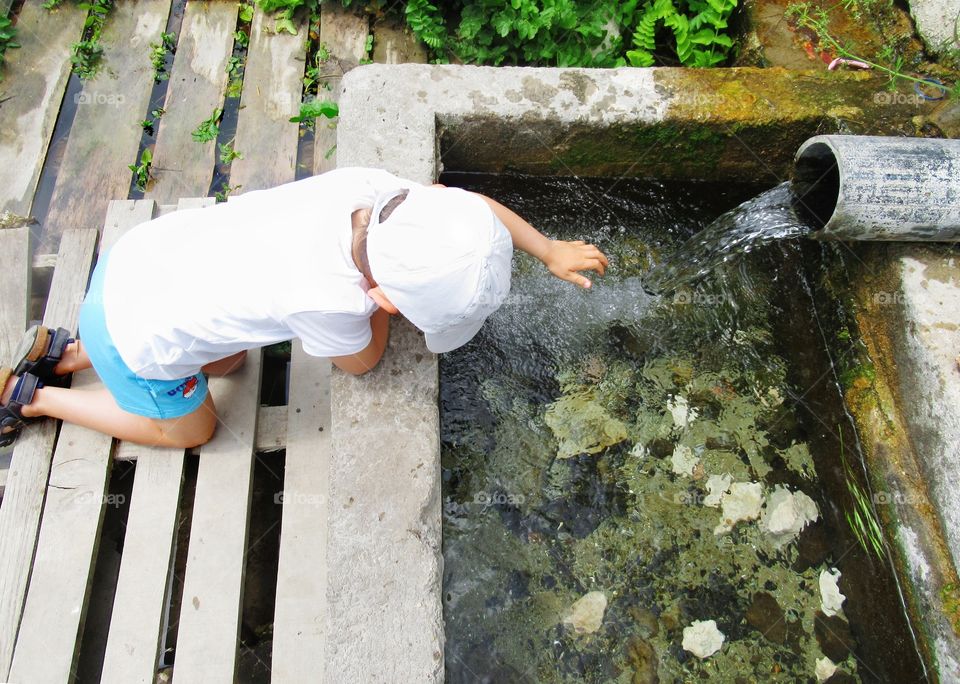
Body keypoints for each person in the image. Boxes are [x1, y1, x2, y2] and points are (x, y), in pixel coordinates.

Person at [0, 167, 608, 449]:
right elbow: (362, 363)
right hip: (131, 339)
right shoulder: (331, 301)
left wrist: (546, 248)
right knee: (195, 427)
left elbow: (466, 204)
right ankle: (38, 397)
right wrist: (373, 311)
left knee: (231, 358)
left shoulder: (375, 190)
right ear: (388, 300)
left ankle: (68, 350)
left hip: (133, 262)